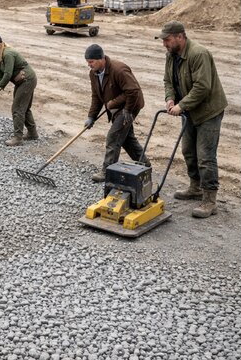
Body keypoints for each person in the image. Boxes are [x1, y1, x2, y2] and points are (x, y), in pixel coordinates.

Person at [157, 20, 227, 218]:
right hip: (189, 111)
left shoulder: (198, 54)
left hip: (208, 111)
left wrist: (181, 105)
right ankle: (195, 187)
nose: (164, 44)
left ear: (180, 37)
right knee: (188, 151)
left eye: (167, 40)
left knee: (205, 156)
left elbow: (202, 87)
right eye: (163, 40)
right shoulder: (171, 56)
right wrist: (170, 98)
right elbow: (168, 81)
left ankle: (209, 200)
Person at [83, 43, 148, 182]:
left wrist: (127, 111)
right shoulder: (93, 74)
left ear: (101, 59)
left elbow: (133, 91)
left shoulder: (119, 69)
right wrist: (91, 116)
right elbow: (96, 97)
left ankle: (107, 171)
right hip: (117, 108)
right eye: (87, 62)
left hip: (130, 106)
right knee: (126, 139)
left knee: (113, 137)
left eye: (91, 62)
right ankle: (145, 164)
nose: (89, 65)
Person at [0, 33, 38, 147]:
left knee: (17, 108)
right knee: (24, 108)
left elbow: (8, 74)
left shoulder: (8, 54)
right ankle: (32, 133)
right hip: (21, 81)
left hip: (27, 80)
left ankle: (18, 138)